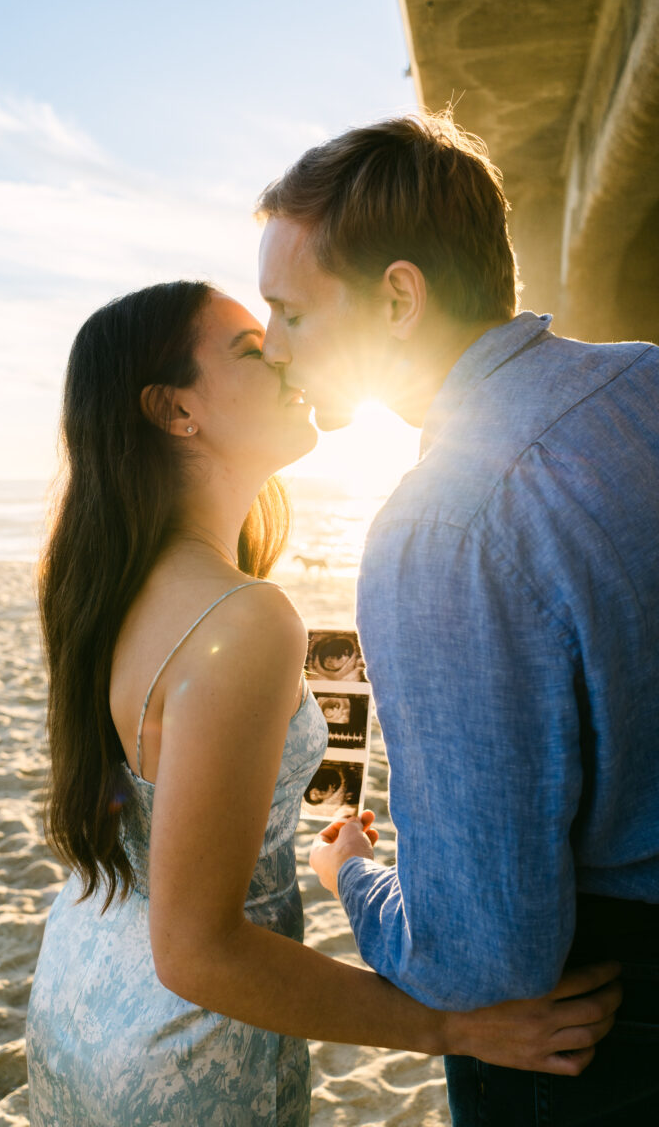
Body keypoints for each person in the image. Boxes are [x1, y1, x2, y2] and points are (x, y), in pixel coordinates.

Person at [25, 280, 620, 1126]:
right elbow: (197, 953)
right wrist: (455, 1027)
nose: (282, 355)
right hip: (189, 1049)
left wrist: (315, 852)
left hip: (79, 999)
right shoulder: (243, 618)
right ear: (174, 411)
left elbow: (162, 824)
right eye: (247, 350)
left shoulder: (105, 588)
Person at [256, 112, 659, 1126]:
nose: (270, 346)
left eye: (293, 313)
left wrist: (354, 877)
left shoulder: (441, 525)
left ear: (399, 297)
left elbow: (487, 957)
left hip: (606, 1024)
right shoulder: (648, 378)